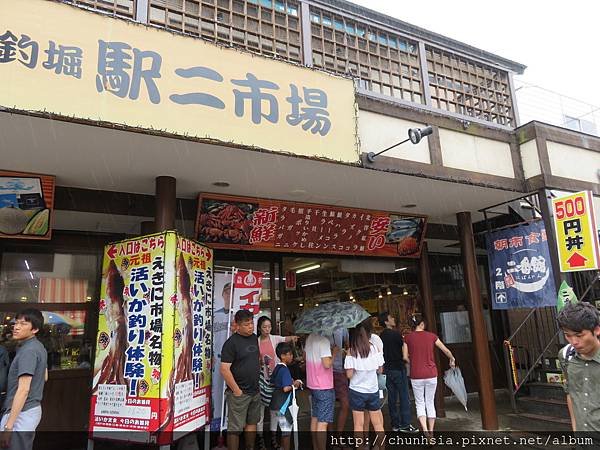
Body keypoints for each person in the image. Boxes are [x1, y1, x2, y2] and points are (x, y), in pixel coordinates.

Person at [0, 309, 48, 450]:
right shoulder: (38, 347)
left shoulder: (29, 351)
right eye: (16, 323)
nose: (16, 327)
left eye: (23, 324)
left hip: (21, 412)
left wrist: (8, 427)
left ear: (35, 329)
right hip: (29, 410)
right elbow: (45, 376)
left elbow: (23, 389)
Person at [403, 314, 455, 440]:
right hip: (431, 373)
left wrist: (413, 362)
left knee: (420, 403)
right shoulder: (432, 336)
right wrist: (452, 359)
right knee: (430, 402)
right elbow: (445, 350)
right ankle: (431, 432)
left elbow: (404, 357)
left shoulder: (407, 338)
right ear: (421, 324)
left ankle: (425, 429)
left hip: (416, 375)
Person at [220, 310, 261, 450]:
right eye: (246, 324)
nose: (251, 326)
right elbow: (224, 369)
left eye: (252, 323)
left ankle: (250, 448)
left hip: (255, 390)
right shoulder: (231, 343)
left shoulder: (255, 338)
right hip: (239, 393)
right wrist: (237, 390)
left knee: (252, 422)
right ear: (237, 325)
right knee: (235, 428)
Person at [256, 316, 298, 450]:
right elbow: (254, 361)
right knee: (261, 412)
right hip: (262, 380)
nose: (267, 329)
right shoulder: (255, 342)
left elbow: (285, 339)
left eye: (269, 326)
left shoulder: (274, 338)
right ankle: (260, 439)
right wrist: (260, 362)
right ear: (259, 328)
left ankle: (273, 438)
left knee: (274, 411)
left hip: (276, 379)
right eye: (264, 327)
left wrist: (293, 337)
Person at [557, 302, 600, 431]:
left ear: (597, 330)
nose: (574, 341)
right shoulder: (565, 355)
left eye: (579, 335)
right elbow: (571, 393)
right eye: (567, 335)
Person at [344, 323, 385, 449]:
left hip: (357, 391)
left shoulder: (351, 351)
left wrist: (356, 367)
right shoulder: (374, 348)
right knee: (378, 424)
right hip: (372, 390)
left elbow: (349, 375)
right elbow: (380, 370)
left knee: (358, 425)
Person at [378, 312, 418, 433]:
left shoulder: (380, 337)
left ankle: (395, 424)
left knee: (392, 398)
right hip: (399, 368)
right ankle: (405, 424)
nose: (393, 318)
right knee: (404, 396)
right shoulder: (396, 334)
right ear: (386, 321)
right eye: (391, 318)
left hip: (387, 369)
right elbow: (404, 350)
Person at [305, 332, 336, 450]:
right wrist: (334, 353)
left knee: (315, 417)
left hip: (312, 384)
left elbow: (305, 357)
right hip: (324, 385)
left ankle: (315, 447)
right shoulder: (324, 341)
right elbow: (327, 364)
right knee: (323, 422)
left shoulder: (309, 338)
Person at [269, 343, 303, 450]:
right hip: (283, 405)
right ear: (283, 356)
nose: (291, 356)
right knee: (286, 432)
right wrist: (296, 384)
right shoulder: (285, 370)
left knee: (282, 429)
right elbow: (285, 388)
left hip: (275, 403)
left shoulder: (277, 367)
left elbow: (274, 382)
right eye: (289, 354)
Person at [328, 328, 349, 436]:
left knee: (345, 404)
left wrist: (344, 351)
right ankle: (333, 437)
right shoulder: (323, 329)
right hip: (327, 371)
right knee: (330, 403)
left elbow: (347, 345)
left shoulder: (343, 328)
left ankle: (338, 435)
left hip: (340, 370)